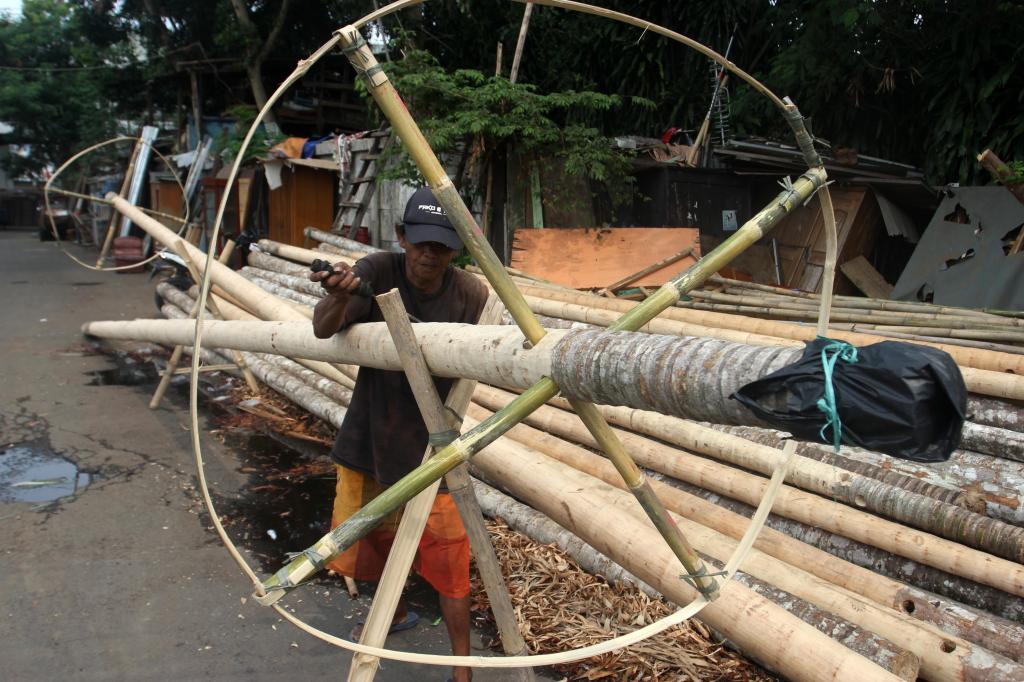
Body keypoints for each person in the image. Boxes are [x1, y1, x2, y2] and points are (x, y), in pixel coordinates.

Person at [311, 186, 487, 682]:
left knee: (451, 561)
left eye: (442, 245)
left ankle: (461, 668)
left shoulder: (471, 294)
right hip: (371, 435)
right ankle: (401, 609)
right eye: (421, 242)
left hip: (433, 447)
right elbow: (324, 329)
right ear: (402, 236)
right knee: (376, 541)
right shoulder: (377, 271)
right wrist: (338, 294)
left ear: (455, 249)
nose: (429, 253)